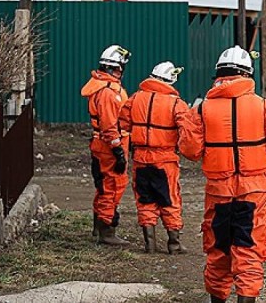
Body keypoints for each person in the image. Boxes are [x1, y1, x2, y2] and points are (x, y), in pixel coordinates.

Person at [178, 46, 266, 303]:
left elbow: (189, 150)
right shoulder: (263, 106)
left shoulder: (201, 109)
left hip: (219, 192)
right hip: (255, 192)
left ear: (219, 74)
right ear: (247, 74)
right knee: (249, 251)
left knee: (218, 251)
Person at [118, 61, 190, 254]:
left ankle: (149, 244)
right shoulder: (176, 103)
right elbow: (188, 131)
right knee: (169, 200)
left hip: (140, 158)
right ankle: (174, 244)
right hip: (165, 159)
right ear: (171, 79)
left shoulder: (135, 98)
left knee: (145, 199)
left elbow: (123, 124)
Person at [80, 45, 132, 246]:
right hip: (109, 146)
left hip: (102, 144)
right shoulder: (109, 93)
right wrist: (118, 150)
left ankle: (99, 227)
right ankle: (107, 231)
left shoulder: (102, 87)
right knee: (111, 187)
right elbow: (110, 125)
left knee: (104, 187)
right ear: (116, 68)